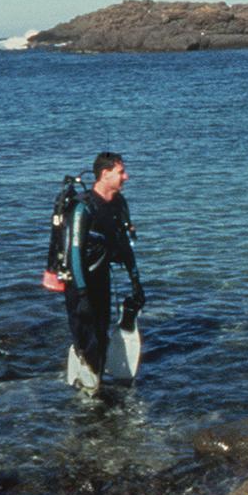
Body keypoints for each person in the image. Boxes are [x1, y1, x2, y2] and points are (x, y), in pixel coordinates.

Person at [65, 152, 143, 389]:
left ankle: (96, 384)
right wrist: (81, 293)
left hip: (102, 279)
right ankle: (87, 393)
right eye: (121, 172)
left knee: (101, 334)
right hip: (80, 283)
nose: (126, 177)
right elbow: (74, 255)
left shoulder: (118, 204)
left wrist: (136, 282)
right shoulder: (83, 208)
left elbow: (125, 247)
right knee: (88, 339)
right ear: (105, 174)